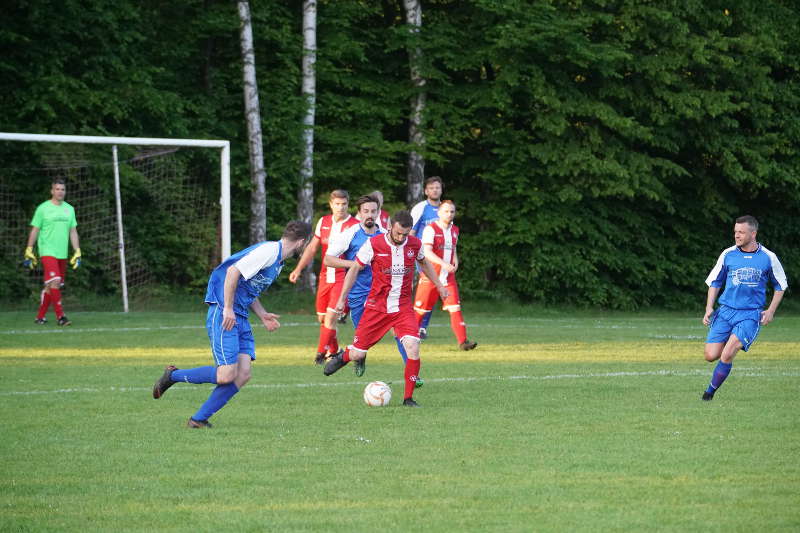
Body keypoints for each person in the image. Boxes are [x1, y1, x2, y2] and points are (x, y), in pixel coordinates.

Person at [152, 220, 311, 428]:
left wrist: (262, 314)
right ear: (301, 242)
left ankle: (198, 420)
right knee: (226, 374)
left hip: (240, 315)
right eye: (308, 243)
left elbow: (246, 286)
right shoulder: (269, 252)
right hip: (225, 312)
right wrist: (227, 308)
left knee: (243, 374)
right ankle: (172, 376)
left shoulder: (278, 260)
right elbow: (232, 272)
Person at [323, 211, 447, 407]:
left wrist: (439, 285)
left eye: (405, 234)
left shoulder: (414, 244)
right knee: (358, 354)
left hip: (402, 308)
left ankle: (408, 399)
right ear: (390, 226)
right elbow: (354, 269)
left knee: (413, 347)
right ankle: (345, 355)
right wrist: (341, 299)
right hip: (376, 308)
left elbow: (423, 262)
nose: (401, 238)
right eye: (398, 233)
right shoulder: (374, 244)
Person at [324, 195, 419, 383]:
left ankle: (413, 374)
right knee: (362, 340)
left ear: (378, 213)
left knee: (401, 333)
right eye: (365, 211)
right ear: (358, 213)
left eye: (373, 211)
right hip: (359, 295)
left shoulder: (387, 234)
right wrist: (356, 263)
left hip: (384, 295)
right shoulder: (350, 233)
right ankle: (357, 356)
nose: (370, 215)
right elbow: (328, 259)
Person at [701, 215, 787, 401]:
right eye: (735, 232)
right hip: (725, 311)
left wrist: (770, 311)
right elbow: (714, 282)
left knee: (728, 353)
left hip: (750, 314)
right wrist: (709, 307)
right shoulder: (728, 254)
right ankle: (730, 341)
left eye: (741, 232)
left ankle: (709, 393)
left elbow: (781, 285)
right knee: (710, 355)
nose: (737, 236)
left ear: (753, 233)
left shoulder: (768, 257)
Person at [288, 190, 359, 365]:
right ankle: (334, 351)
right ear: (331, 204)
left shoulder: (355, 225)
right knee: (322, 319)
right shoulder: (323, 222)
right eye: (337, 204)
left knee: (330, 318)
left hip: (343, 276)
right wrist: (298, 269)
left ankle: (320, 353)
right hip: (325, 277)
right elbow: (312, 248)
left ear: (348, 205)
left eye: (344, 204)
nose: (340, 207)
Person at [413, 200, 477, 351]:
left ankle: (463, 342)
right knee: (420, 311)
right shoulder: (431, 229)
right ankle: (406, 336)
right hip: (430, 276)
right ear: (439, 213)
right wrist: (443, 264)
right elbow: (427, 252)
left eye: (452, 212)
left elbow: (453, 249)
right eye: (446, 211)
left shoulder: (455, 230)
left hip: (448, 278)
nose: (449, 214)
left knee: (455, 308)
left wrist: (455, 261)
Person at [23, 178, 81, 326]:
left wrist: (77, 251)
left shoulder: (70, 209)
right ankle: (61, 317)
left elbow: (73, 232)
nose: (60, 192)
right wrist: (29, 249)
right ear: (52, 191)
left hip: (62, 253)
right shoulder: (43, 208)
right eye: (57, 189)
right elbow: (35, 230)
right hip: (47, 251)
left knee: (51, 286)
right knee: (55, 282)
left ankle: (40, 317)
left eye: (62, 189)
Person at [410, 176, 444, 339]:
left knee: (434, 291)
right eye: (431, 188)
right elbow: (412, 231)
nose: (435, 190)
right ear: (426, 191)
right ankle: (416, 326)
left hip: (442, 257)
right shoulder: (420, 208)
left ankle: (422, 327)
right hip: (424, 256)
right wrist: (412, 253)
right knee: (425, 290)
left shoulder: (446, 208)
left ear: (441, 189)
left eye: (437, 187)